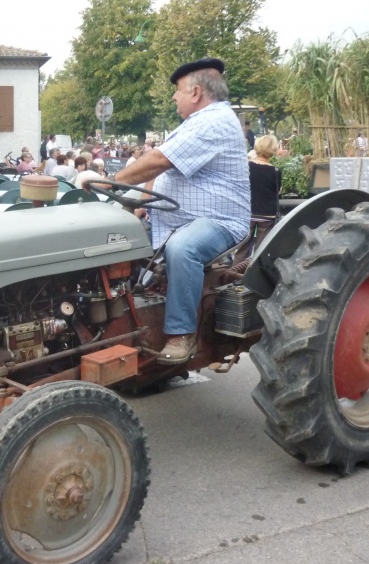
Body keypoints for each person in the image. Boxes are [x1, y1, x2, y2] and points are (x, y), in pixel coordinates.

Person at [108, 57, 250, 364]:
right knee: (112, 237)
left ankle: (181, 335)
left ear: (196, 92)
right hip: (175, 218)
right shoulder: (193, 124)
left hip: (218, 221)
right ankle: (117, 319)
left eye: (178, 90)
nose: (174, 97)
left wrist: (112, 182)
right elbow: (165, 170)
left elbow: (161, 160)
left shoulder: (214, 122)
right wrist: (140, 204)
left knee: (182, 248)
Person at [248, 135, 281, 216]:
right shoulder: (276, 171)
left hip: (248, 211)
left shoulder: (247, 167)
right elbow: (277, 191)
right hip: (268, 215)